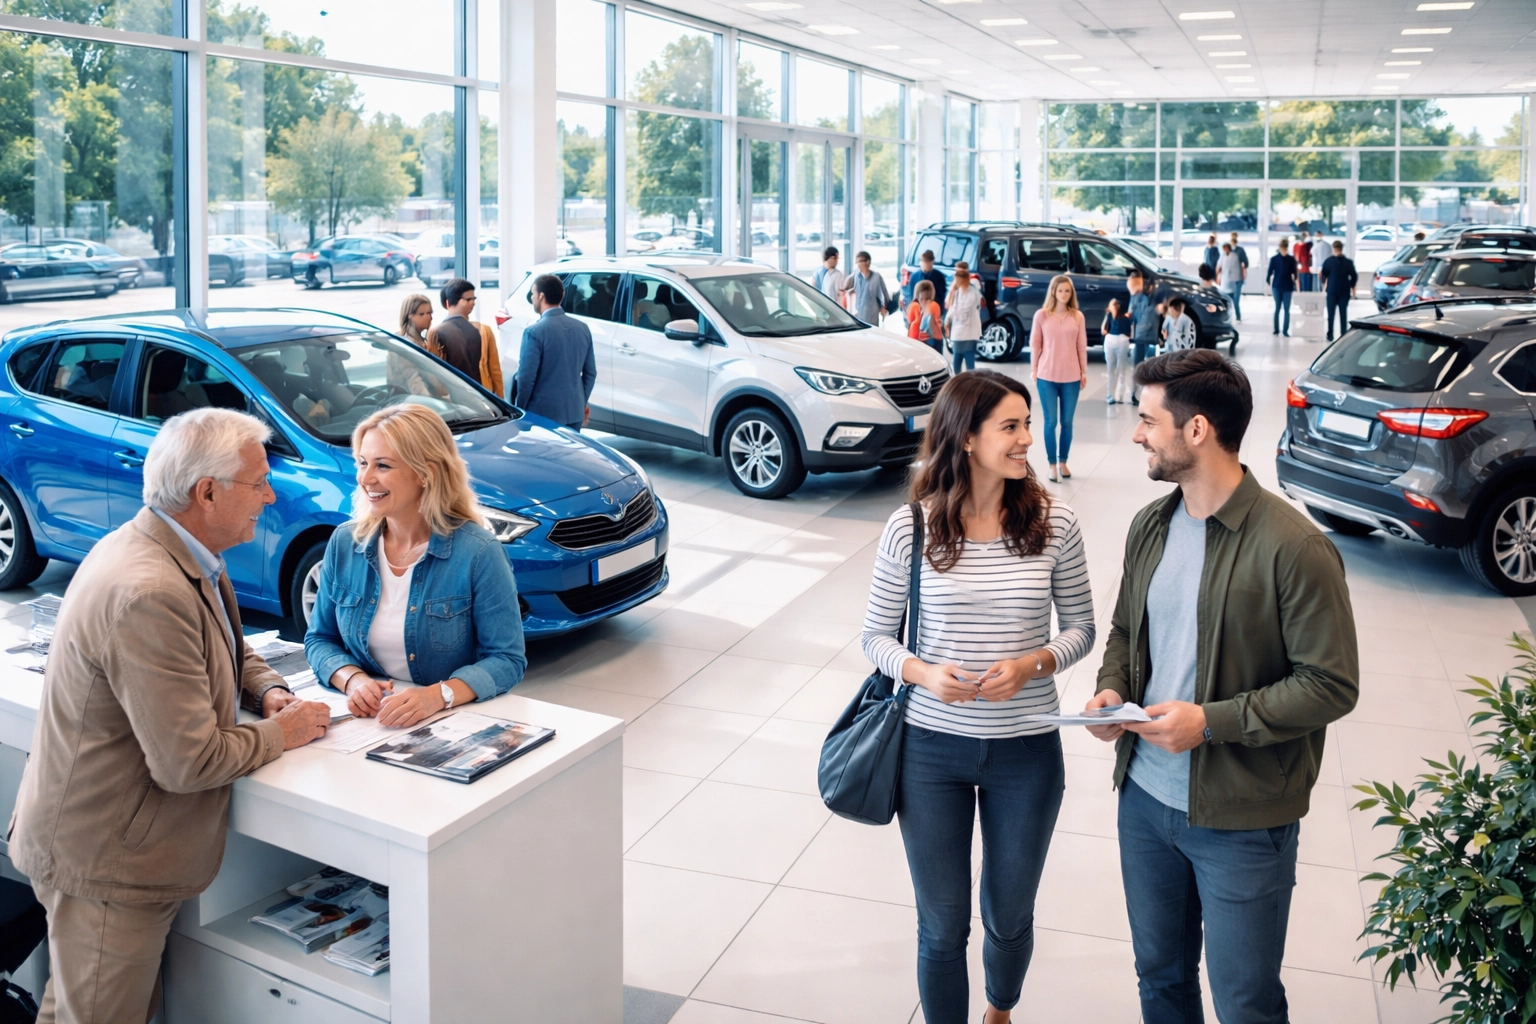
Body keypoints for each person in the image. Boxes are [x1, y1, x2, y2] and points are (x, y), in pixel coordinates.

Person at [10, 409, 331, 1024]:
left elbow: (226, 644)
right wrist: (283, 732)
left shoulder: (174, 549)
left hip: (104, 844)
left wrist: (265, 689)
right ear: (207, 493)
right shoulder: (150, 590)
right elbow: (190, 762)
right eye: (259, 482)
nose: (270, 495)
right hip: (106, 861)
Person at [1083, 349, 1359, 1024]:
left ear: (1197, 430)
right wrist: (1111, 690)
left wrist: (1209, 722)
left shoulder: (1294, 547)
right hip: (1144, 800)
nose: (1136, 434)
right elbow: (1125, 630)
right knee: (1161, 980)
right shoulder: (1151, 526)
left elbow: (1331, 684)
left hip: (1242, 819)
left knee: (1245, 1003)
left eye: (1148, 420)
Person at [862, 370, 1095, 1024]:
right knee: (941, 924)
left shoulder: (1055, 521)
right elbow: (875, 636)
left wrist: (1034, 663)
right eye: (1011, 426)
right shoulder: (911, 526)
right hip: (929, 751)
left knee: (1010, 914)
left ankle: (1000, 1010)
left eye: (1028, 424)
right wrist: (921, 673)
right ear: (966, 437)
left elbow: (1082, 627)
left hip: (1027, 751)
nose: (1028, 439)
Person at [307, 404, 528, 729]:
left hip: (449, 724)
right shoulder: (344, 542)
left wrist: (437, 696)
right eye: (363, 463)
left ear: (425, 473)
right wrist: (353, 680)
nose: (365, 478)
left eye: (382, 465)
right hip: (371, 724)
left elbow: (507, 659)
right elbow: (319, 639)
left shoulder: (479, 552)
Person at [515, 274, 597, 430]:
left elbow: (526, 378)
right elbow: (590, 373)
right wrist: (580, 402)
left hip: (542, 416)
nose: (532, 298)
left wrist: (520, 410)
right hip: (574, 413)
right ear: (563, 294)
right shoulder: (582, 328)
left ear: (541, 296)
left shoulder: (534, 332)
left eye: (533, 293)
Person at [1028, 275, 1088, 483]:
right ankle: (1052, 465)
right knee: (1051, 421)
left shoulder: (1077, 316)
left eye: (1067, 291)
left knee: (1067, 422)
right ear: (1053, 291)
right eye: (1060, 290)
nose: (1064, 294)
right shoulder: (1042, 315)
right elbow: (1035, 345)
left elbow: (1081, 346)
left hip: (1071, 377)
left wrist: (1083, 371)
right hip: (1046, 376)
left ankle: (1063, 462)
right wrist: (1034, 369)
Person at [426, 278, 505, 396]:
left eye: (474, 299)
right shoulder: (437, 332)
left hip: (477, 396)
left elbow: (495, 370)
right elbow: (436, 373)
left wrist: (499, 398)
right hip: (461, 396)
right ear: (448, 303)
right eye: (468, 299)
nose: (473, 303)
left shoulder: (484, 330)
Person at [391, 293, 444, 396]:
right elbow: (415, 384)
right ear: (410, 316)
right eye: (422, 314)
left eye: (430, 313)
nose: (429, 317)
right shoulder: (406, 344)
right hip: (412, 400)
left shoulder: (422, 340)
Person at [1127, 270, 1161, 406]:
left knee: (1138, 366)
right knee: (1150, 366)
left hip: (1140, 336)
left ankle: (1135, 394)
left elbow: (1132, 316)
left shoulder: (1135, 298)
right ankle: (1145, 395)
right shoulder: (1151, 298)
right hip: (1149, 336)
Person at [944, 262, 983, 375]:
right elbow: (950, 306)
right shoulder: (956, 291)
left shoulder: (973, 291)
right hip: (958, 332)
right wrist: (947, 321)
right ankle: (958, 379)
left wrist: (951, 317)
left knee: (969, 357)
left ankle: (971, 380)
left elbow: (963, 310)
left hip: (969, 331)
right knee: (957, 357)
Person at [1319, 240, 1358, 342]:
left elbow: (1323, 275)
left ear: (1333, 249)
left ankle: (1330, 334)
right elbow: (1354, 276)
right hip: (1344, 291)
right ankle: (1343, 334)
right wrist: (1351, 285)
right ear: (1341, 249)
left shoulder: (1328, 261)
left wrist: (1325, 285)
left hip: (1332, 291)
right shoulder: (1348, 262)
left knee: (1331, 314)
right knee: (1343, 314)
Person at [842, 250, 891, 325]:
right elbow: (845, 286)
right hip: (859, 314)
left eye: (859, 261)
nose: (858, 264)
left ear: (867, 262)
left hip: (872, 315)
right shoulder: (856, 276)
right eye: (856, 262)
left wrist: (884, 308)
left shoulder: (876, 277)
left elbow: (885, 294)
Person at [1102, 297, 1133, 405]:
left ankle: (1112, 395)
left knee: (1113, 369)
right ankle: (1117, 396)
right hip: (1120, 340)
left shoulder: (1110, 316)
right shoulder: (1123, 317)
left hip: (1113, 340)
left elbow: (1104, 331)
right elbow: (1130, 333)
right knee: (1119, 369)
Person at [1266, 239, 1298, 337]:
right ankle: (1276, 329)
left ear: (1287, 248)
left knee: (1287, 310)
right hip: (1277, 286)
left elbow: (1295, 272)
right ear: (1280, 248)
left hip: (1287, 287)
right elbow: (1270, 271)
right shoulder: (1274, 259)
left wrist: (1295, 281)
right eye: (1282, 249)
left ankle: (1285, 330)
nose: (1283, 251)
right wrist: (1268, 279)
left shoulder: (1291, 259)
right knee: (1277, 308)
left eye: (1285, 249)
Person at [908, 279, 943, 352]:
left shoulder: (914, 306)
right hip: (935, 340)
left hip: (921, 341)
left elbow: (911, 321)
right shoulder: (934, 305)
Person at [1216, 242, 1244, 322]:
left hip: (1234, 281)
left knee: (1235, 301)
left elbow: (1234, 268)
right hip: (1226, 281)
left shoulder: (1234, 256)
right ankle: (1227, 317)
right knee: (1226, 301)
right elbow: (1219, 267)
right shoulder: (1223, 256)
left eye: (1226, 248)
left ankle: (1238, 316)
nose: (1225, 250)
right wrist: (1218, 278)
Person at [913, 249, 949, 314]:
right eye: (923, 262)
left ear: (932, 262)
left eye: (927, 262)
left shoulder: (939, 276)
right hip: (918, 310)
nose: (924, 264)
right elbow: (911, 295)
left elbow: (941, 296)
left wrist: (939, 311)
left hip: (933, 309)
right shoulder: (915, 276)